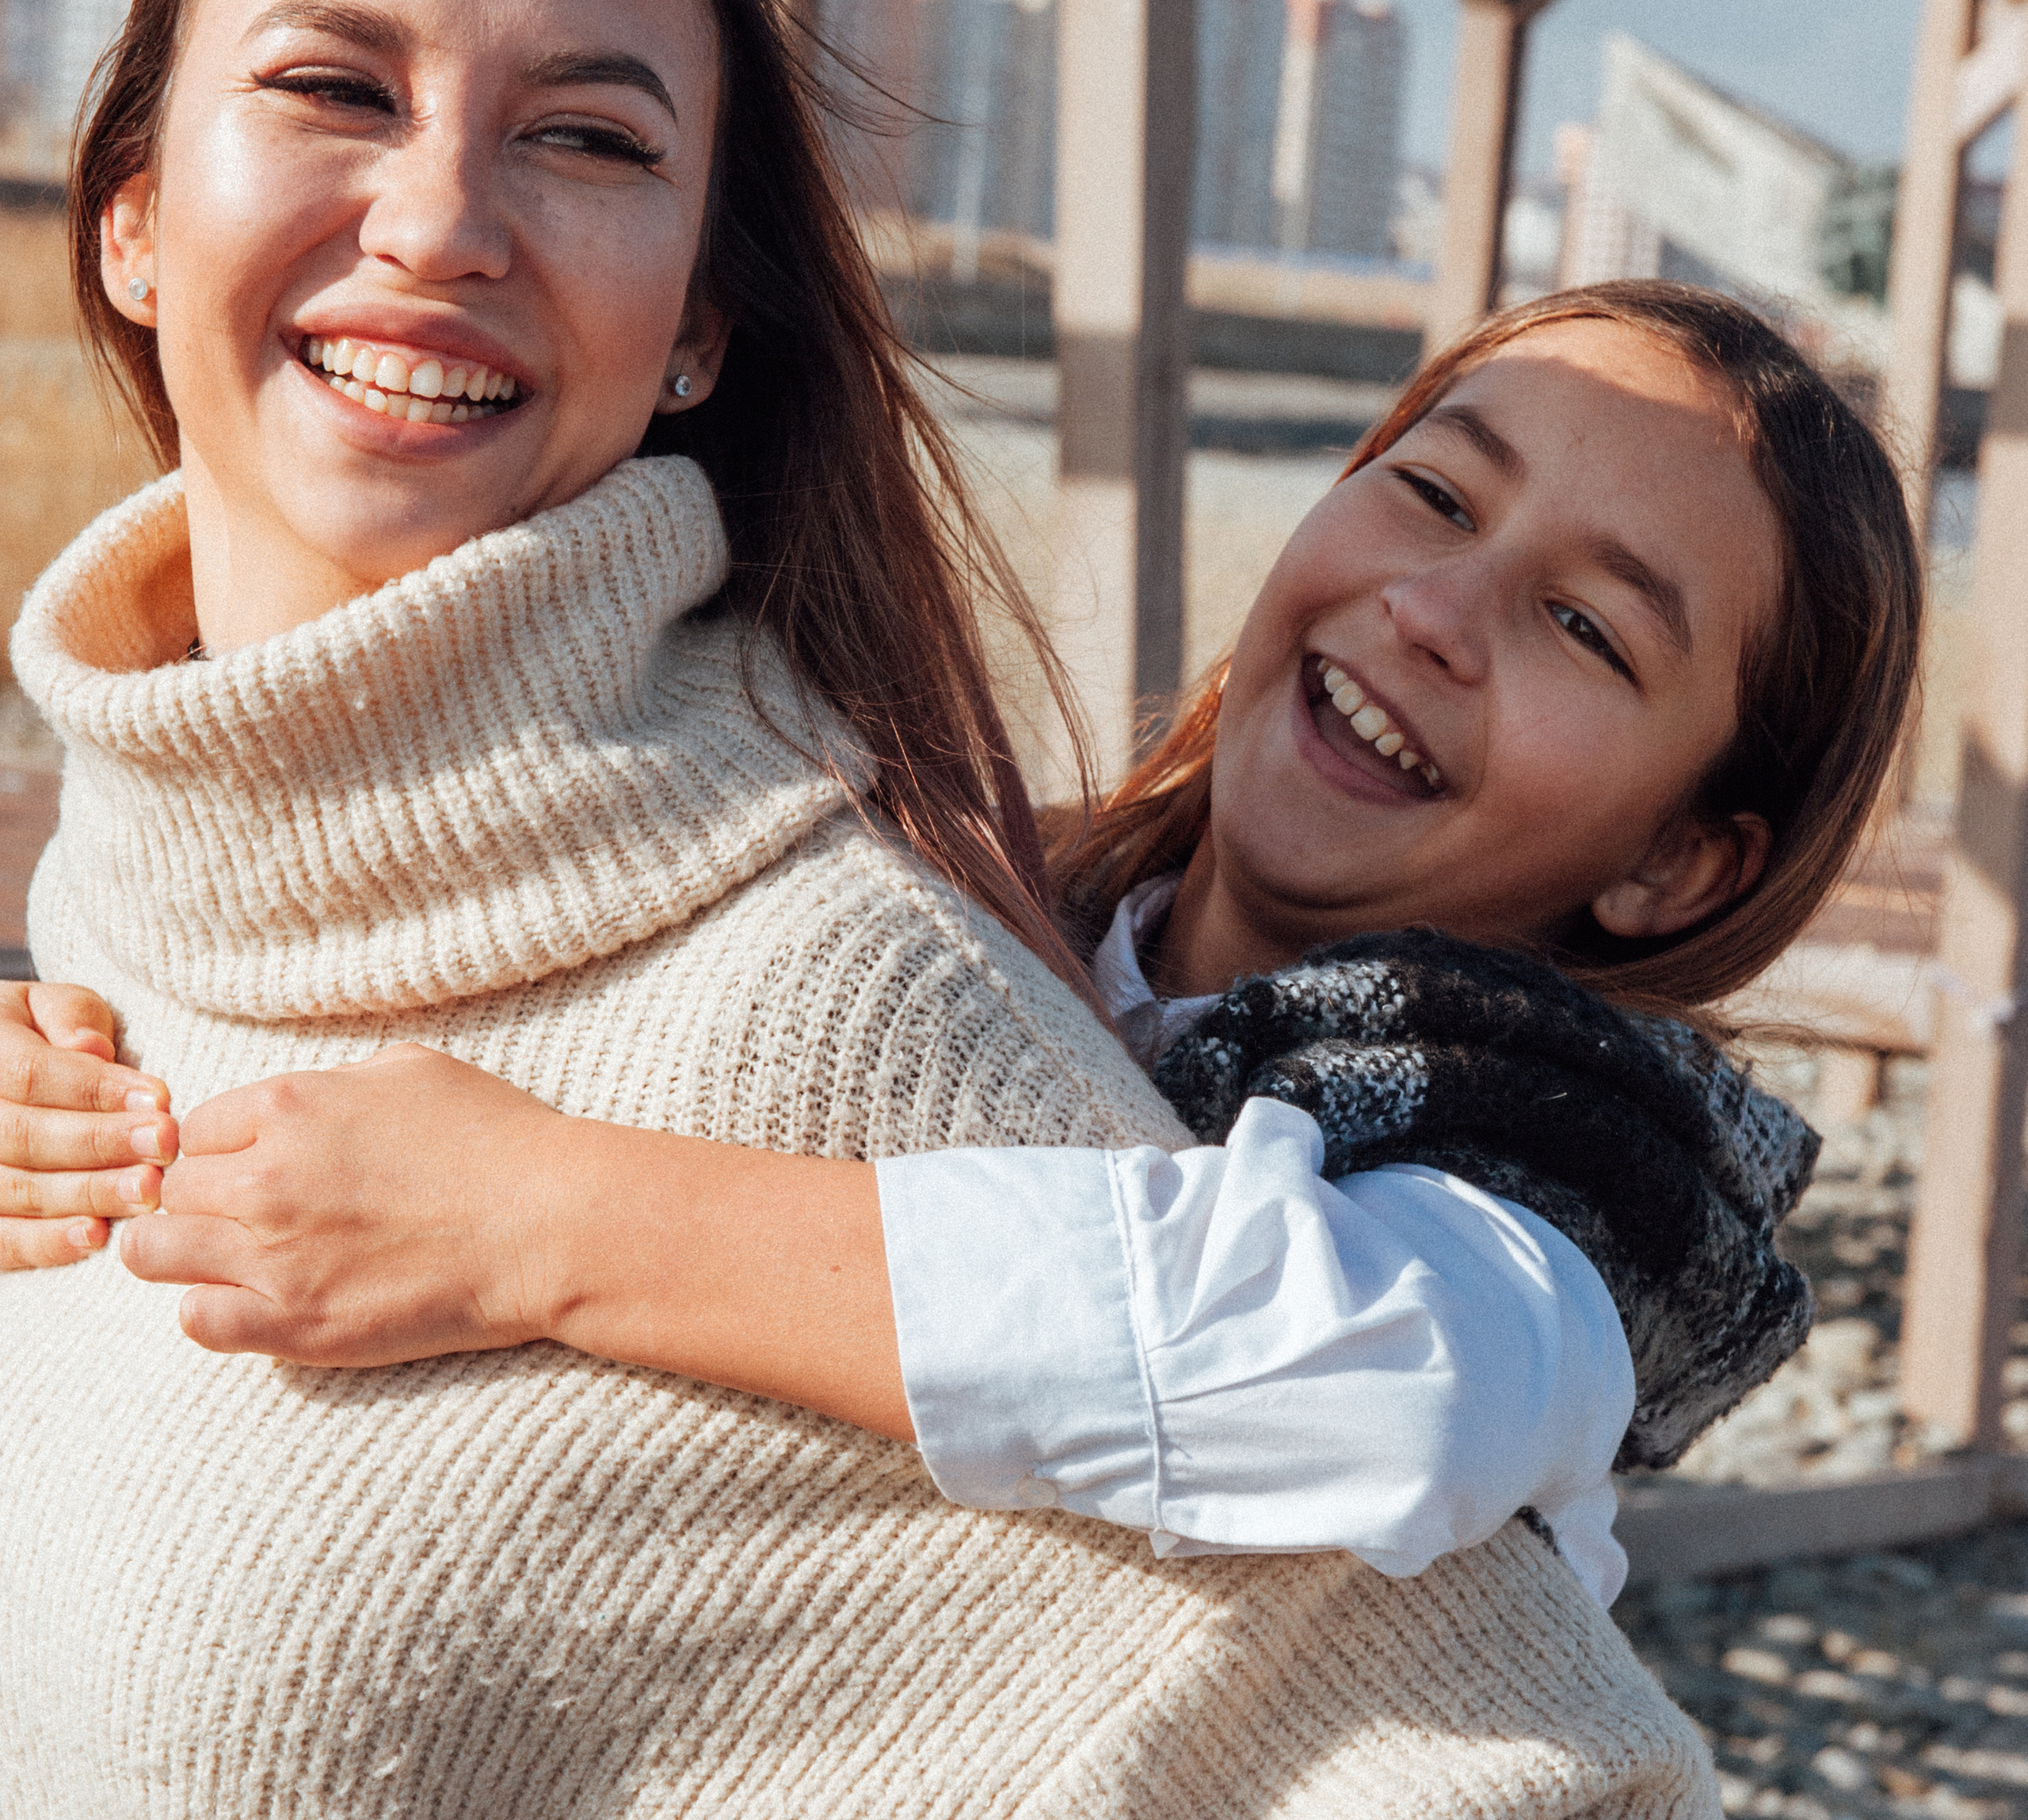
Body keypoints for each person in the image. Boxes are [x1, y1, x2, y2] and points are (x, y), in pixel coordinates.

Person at [0, 0, 1725, 1820]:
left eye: (586, 136)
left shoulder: (824, 1017)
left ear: (701, 325)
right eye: (334, 84)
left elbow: (1533, 1806)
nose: (437, 214)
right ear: (128, 211)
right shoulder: (109, 898)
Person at [3, 288, 1919, 1620]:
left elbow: (1379, 1374)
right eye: (1430, 490)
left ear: (1678, 860)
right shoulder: (972, 897)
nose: (1433, 605)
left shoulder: (1586, 1177)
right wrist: (109, 1102)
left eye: (1586, 627)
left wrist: (540, 1215)